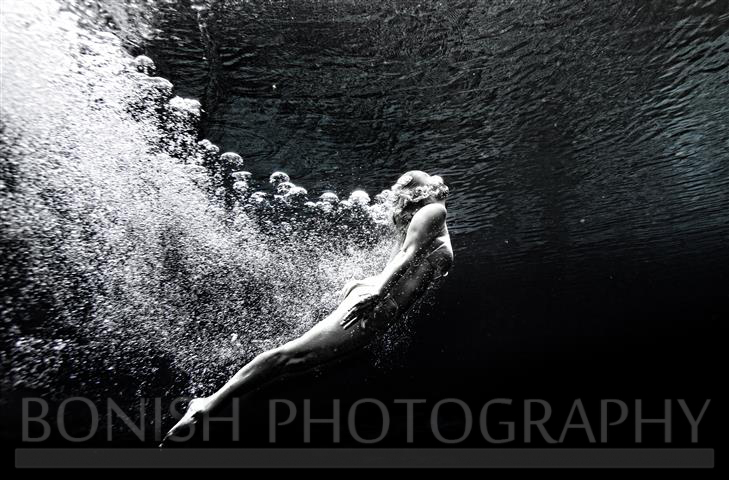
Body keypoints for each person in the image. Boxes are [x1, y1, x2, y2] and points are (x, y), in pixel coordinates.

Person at [161, 170, 453, 445]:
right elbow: (406, 255)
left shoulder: (432, 221)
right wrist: (376, 290)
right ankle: (207, 405)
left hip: (378, 308)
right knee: (291, 357)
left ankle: (220, 402)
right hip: (374, 306)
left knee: (299, 363)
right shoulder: (435, 211)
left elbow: (405, 263)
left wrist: (372, 287)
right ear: (423, 193)